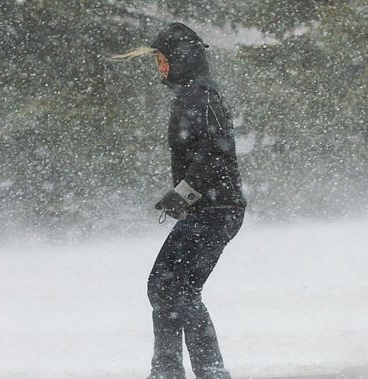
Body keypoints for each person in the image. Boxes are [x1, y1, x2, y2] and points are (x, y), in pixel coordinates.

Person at [114, 22, 247, 379]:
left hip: (217, 210)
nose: (160, 66)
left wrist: (184, 192)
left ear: (183, 58)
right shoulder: (192, 93)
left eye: (163, 58)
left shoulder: (201, 95)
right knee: (167, 286)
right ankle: (171, 370)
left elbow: (215, 151)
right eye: (157, 59)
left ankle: (203, 370)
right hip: (209, 209)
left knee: (175, 286)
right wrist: (183, 197)